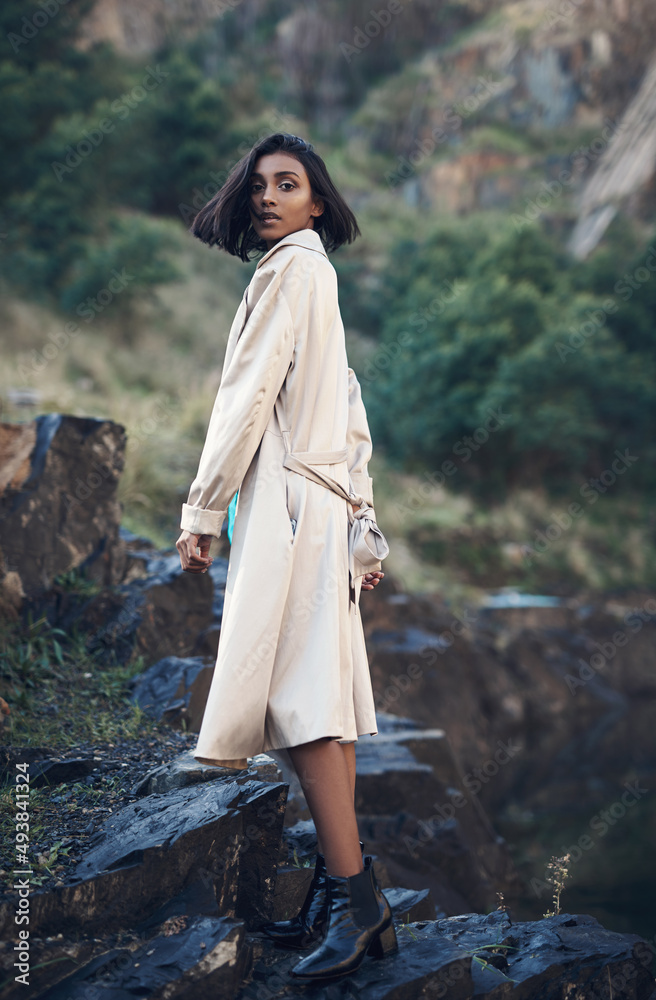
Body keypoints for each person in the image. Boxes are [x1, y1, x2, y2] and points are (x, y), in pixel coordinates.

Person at [176, 132, 397, 981]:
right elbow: (349, 408)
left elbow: (245, 399)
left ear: (316, 201)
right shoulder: (315, 274)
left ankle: (353, 896)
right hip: (321, 506)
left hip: (293, 510)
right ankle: (345, 898)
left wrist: (202, 505)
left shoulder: (291, 272)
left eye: (288, 183)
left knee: (303, 709)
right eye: (259, 184)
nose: (268, 196)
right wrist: (363, 517)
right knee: (322, 705)